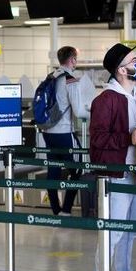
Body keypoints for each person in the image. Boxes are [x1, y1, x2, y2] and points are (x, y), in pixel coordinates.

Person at [89, 43, 136, 271]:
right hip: (116, 175)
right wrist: (128, 138)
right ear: (122, 70)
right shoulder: (105, 100)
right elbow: (98, 140)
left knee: (129, 232)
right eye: (134, 58)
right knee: (112, 233)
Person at [42, 46, 88, 215]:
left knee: (52, 171)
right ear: (72, 60)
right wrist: (93, 110)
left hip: (48, 133)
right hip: (64, 133)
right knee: (77, 169)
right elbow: (78, 111)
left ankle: (55, 210)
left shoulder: (50, 76)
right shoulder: (70, 79)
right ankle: (66, 210)